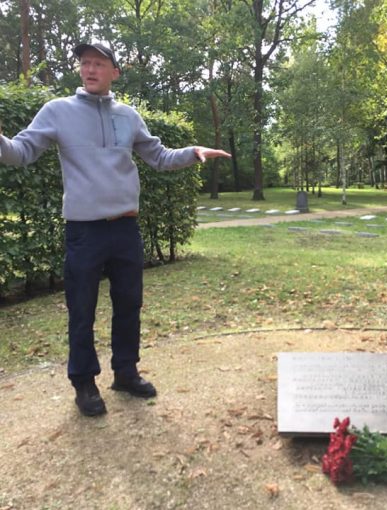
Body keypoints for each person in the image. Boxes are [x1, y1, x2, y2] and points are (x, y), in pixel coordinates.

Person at [0, 42, 231, 417]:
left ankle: (125, 372)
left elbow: (158, 156)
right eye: (84, 63)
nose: (89, 69)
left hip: (125, 227)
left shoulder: (128, 116)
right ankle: (84, 383)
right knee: (81, 308)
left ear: (114, 73)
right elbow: (21, 151)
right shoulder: (57, 111)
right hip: (84, 231)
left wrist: (192, 152)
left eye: (98, 64)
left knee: (129, 305)